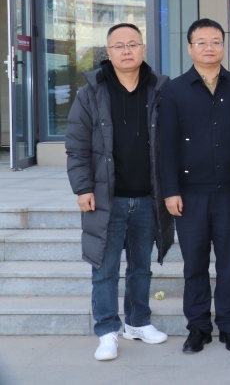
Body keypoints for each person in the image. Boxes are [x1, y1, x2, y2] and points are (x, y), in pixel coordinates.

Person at [65, 23, 172, 361]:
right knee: (105, 268)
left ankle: (138, 322)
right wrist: (83, 187)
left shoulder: (159, 89)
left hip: (147, 197)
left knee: (141, 266)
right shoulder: (90, 93)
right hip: (106, 198)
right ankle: (107, 331)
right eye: (119, 46)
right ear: (108, 52)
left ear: (143, 48)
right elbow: (77, 146)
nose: (127, 50)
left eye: (133, 44)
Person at [159, 18, 230, 353]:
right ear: (189, 48)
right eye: (202, 42)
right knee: (194, 264)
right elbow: (166, 145)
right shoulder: (174, 90)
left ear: (223, 46)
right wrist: (170, 190)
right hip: (189, 193)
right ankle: (198, 327)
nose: (209, 47)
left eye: (216, 41)